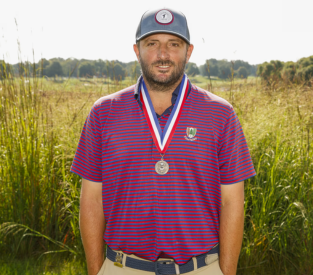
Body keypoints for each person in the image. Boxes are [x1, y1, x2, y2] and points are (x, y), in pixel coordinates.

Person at [71, 8, 256, 275]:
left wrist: (225, 272)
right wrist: (97, 270)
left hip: (200, 268)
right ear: (137, 50)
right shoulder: (104, 112)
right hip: (123, 267)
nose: (163, 54)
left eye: (173, 44)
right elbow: (92, 199)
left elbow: (232, 202)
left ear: (188, 51)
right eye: (152, 44)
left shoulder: (221, 114)